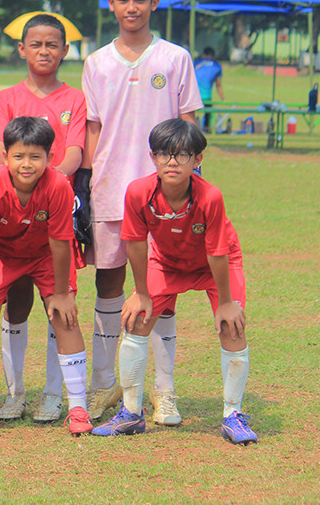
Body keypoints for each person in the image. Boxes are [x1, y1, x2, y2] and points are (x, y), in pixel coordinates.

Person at [79, 0, 202, 425]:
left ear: (154, 1)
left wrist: (189, 184)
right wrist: (86, 185)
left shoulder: (175, 58)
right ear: (111, 3)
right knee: (108, 283)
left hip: (165, 193)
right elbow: (92, 129)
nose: (132, 7)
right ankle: (105, 385)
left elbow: (189, 126)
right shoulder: (96, 62)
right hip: (111, 191)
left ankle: (164, 392)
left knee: (161, 290)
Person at [93, 119, 256, 445]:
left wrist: (226, 303)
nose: (172, 161)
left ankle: (233, 415)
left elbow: (218, 252)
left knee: (232, 326)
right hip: (167, 262)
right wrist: (141, 294)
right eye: (165, 154)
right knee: (137, 319)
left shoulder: (210, 197)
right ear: (152, 157)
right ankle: (130, 413)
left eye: (182, 155)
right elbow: (136, 244)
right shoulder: (139, 192)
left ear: (198, 160)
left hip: (215, 264)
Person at [0, 117, 92, 436]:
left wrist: (60, 292)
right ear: (4, 157)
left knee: (65, 316)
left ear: (50, 158)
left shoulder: (58, 185)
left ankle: (78, 407)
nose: (26, 164)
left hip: (46, 253)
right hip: (2, 252)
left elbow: (60, 241)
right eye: (18, 156)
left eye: (35, 156)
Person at [0, 14, 87, 423]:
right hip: (11, 219)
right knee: (14, 305)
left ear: (64, 51)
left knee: (58, 304)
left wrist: (49, 185)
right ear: (22, 49)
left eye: (52, 45)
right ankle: (15, 393)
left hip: (54, 214)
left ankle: (53, 393)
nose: (44, 51)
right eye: (36, 44)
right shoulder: (7, 97)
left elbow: (76, 151)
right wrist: (9, 190)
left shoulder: (74, 99)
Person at [194, 47, 225, 132]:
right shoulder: (217, 66)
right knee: (208, 112)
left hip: (194, 96)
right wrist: (223, 98)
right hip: (206, 98)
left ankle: (192, 129)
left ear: (204, 55)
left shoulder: (196, 63)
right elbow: (218, 84)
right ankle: (206, 129)